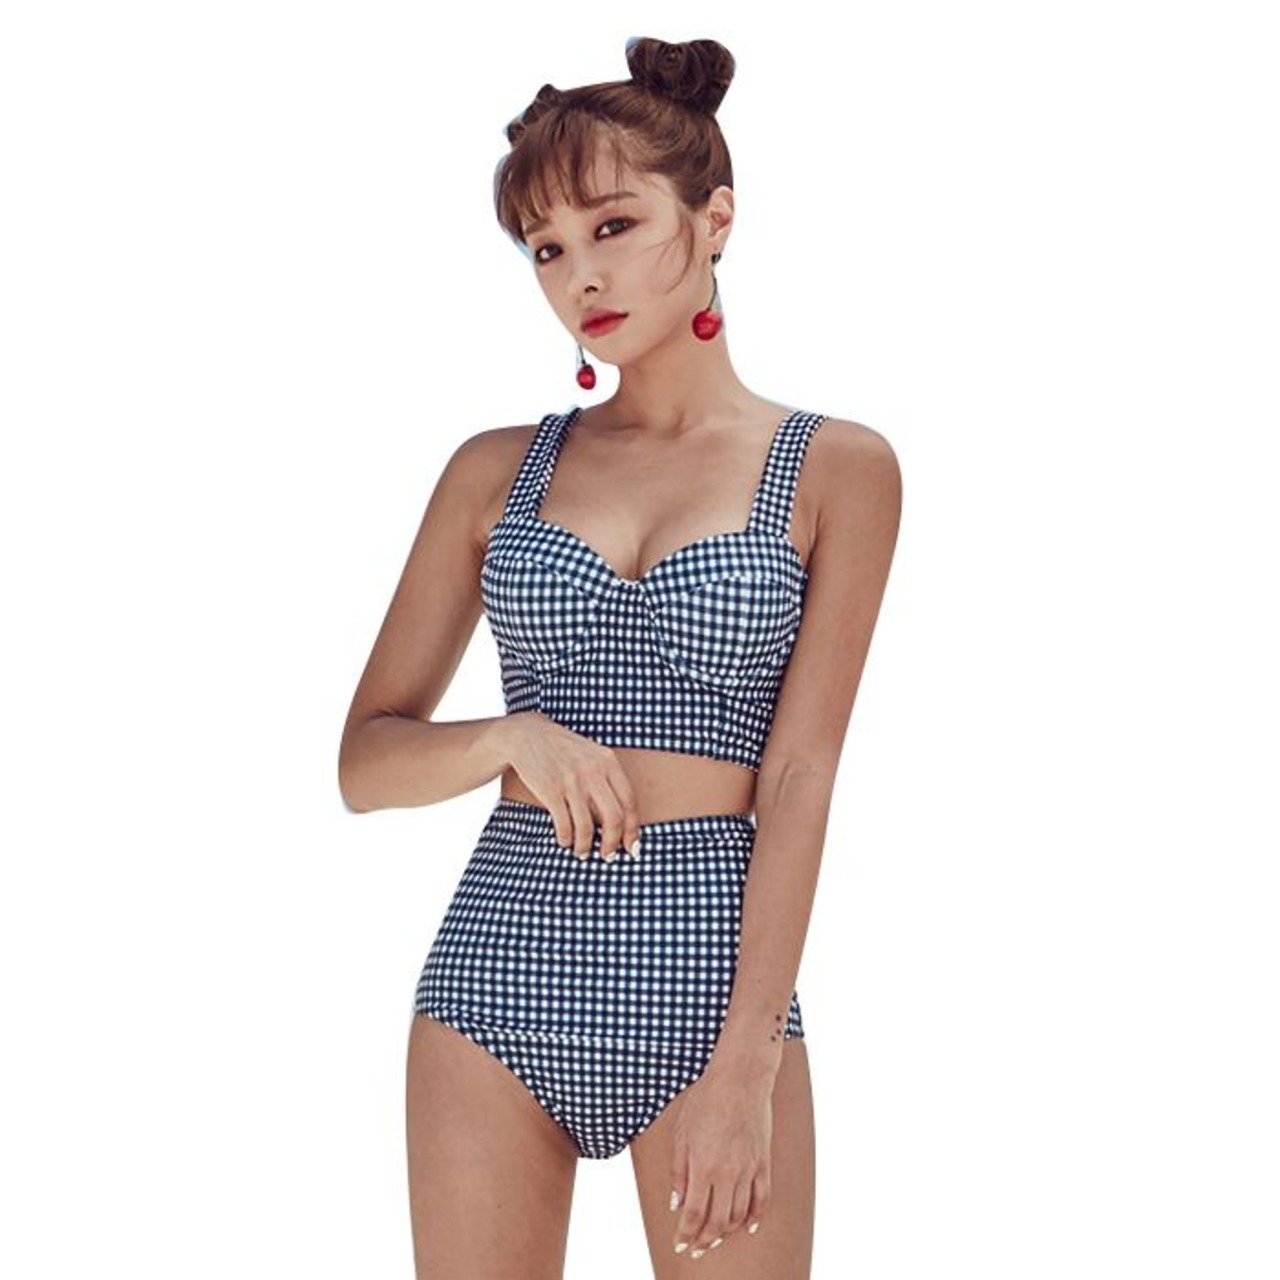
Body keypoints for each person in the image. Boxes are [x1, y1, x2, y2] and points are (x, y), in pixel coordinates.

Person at [338, 35, 901, 1280]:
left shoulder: (836, 468)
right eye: (545, 247)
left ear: (714, 219)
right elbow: (364, 762)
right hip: (498, 968)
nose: (578, 273)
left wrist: (747, 1057)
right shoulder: (494, 471)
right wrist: (507, 736)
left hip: (712, 974)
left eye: (612, 224)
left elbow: (799, 773)